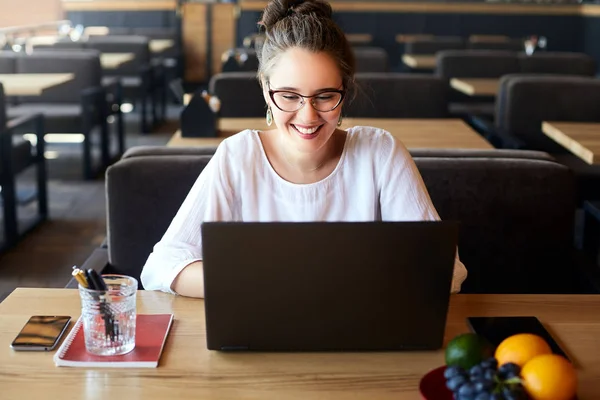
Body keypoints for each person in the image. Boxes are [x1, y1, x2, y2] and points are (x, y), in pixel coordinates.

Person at [141, 0, 467, 297]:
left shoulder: (380, 153)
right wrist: (277, 281)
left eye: (325, 96)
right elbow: (160, 267)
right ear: (267, 91)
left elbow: (447, 270)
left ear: (345, 91)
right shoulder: (238, 156)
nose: (308, 115)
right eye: (289, 96)